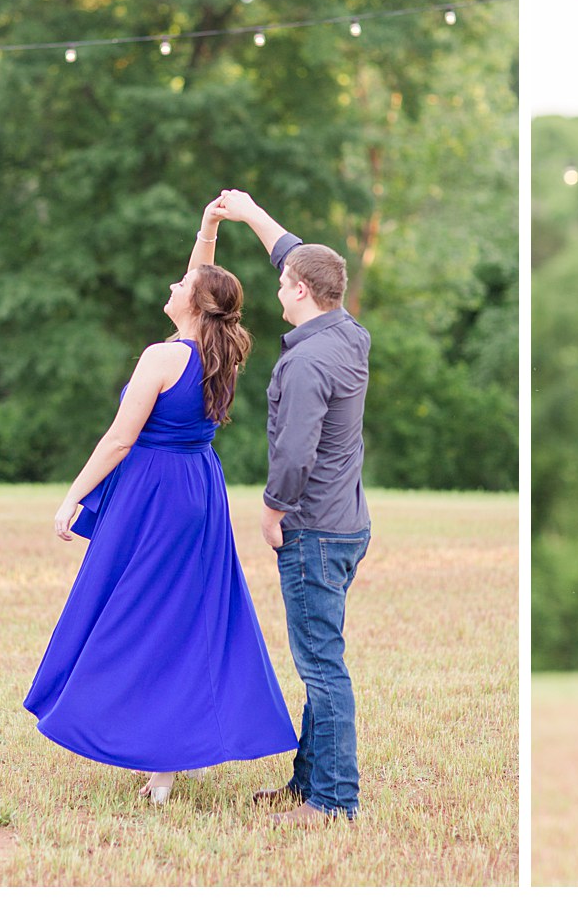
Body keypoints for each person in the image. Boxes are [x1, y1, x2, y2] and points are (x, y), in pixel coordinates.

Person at [24, 198, 298, 803]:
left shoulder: (163, 356)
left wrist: (74, 494)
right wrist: (208, 230)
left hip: (155, 495)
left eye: (182, 283)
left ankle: (163, 762)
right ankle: (191, 745)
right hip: (199, 490)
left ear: (195, 304)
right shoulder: (218, 353)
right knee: (192, 616)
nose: (173, 283)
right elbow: (206, 282)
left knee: (142, 619)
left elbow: (121, 437)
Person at [214, 189, 372, 828]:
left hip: (312, 529)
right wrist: (250, 213)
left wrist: (273, 510)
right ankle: (307, 785)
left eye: (284, 282)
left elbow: (296, 454)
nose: (278, 287)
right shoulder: (348, 332)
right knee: (319, 654)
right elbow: (296, 253)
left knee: (321, 666)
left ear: (303, 292)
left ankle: (333, 802)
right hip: (348, 525)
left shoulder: (307, 362)